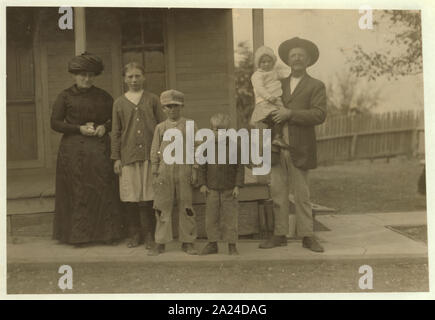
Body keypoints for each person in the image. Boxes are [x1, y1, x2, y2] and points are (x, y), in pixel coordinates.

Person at [259, 37, 327, 253]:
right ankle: (280, 234)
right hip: (277, 147)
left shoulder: (316, 85)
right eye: (293, 55)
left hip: (301, 148)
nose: (297, 59)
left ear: (308, 60)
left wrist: (291, 113)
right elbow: (267, 108)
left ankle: (307, 235)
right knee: (278, 193)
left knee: (302, 195)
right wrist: (265, 113)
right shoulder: (278, 84)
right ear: (288, 60)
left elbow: (319, 114)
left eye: (301, 55)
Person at [51, 52, 124, 246]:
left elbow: (115, 120)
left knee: (103, 188)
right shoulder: (65, 96)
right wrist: (78, 129)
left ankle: (107, 234)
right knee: (78, 190)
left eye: (90, 75)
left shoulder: (103, 96)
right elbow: (55, 123)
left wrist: (104, 127)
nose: (86, 78)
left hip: (99, 148)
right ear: (74, 75)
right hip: (73, 150)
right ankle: (79, 236)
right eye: (82, 74)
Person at [111, 62, 166, 249]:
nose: (134, 80)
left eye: (137, 76)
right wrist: (116, 157)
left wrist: (163, 154)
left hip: (150, 156)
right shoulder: (119, 102)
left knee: (148, 195)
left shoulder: (152, 99)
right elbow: (116, 132)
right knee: (131, 195)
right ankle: (134, 234)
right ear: (124, 79)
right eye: (130, 77)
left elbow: (162, 128)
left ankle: (149, 234)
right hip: (128, 156)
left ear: (144, 77)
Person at [148, 89, 199, 256]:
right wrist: (155, 171)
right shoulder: (160, 128)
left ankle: (188, 242)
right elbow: (155, 149)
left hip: (184, 169)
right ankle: (161, 242)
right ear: (163, 109)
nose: (172, 110)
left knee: (186, 206)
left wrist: (194, 168)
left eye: (175, 106)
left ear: (181, 106)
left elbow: (197, 148)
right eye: (168, 107)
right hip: (164, 171)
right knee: (163, 206)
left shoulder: (190, 125)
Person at [198, 113, 244, 255]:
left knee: (230, 218)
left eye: (223, 130)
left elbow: (239, 168)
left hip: (229, 189)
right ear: (211, 130)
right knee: (211, 218)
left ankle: (231, 244)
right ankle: (212, 244)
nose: (219, 133)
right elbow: (202, 167)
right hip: (211, 189)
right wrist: (203, 184)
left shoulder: (235, 147)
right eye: (216, 129)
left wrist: (237, 185)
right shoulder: (206, 147)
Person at [250, 46, 290, 149]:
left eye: (269, 61)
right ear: (259, 64)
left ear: (273, 62)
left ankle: (276, 138)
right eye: (263, 62)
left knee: (281, 117)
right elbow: (259, 88)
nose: (266, 64)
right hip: (266, 101)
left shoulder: (273, 73)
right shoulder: (257, 75)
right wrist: (268, 97)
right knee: (276, 117)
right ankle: (277, 138)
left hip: (276, 100)